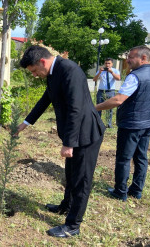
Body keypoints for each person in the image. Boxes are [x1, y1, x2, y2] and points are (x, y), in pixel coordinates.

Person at [16, 45, 105, 238]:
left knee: (82, 180)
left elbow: (76, 109)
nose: (34, 75)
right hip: (74, 134)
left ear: (42, 61)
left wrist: (69, 143)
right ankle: (66, 206)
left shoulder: (70, 71)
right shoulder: (53, 73)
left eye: (33, 71)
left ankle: (73, 226)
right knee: (71, 174)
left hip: (86, 134)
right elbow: (45, 99)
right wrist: (26, 122)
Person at [96, 45, 150, 201]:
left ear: (143, 58)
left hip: (131, 124)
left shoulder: (136, 76)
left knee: (124, 158)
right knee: (141, 158)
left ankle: (120, 191)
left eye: (131, 57)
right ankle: (136, 190)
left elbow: (118, 99)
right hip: (147, 123)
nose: (127, 60)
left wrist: (95, 108)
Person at [93, 58, 121, 128]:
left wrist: (111, 72)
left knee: (110, 108)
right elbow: (94, 79)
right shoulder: (101, 70)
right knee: (99, 107)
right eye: (106, 63)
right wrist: (99, 72)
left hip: (110, 91)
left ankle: (109, 124)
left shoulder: (115, 70)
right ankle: (98, 122)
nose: (107, 65)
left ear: (112, 64)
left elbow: (118, 78)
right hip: (101, 91)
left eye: (109, 63)